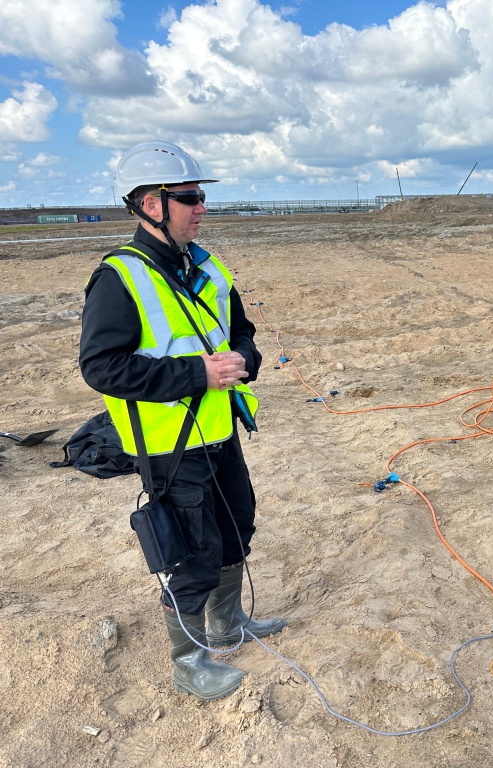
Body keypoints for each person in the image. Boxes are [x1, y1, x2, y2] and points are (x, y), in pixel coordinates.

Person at [79, 141, 286, 700]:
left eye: (200, 197)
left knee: (236, 528)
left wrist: (245, 360)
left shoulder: (207, 265)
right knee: (190, 553)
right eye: (190, 197)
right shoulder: (119, 277)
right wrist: (196, 374)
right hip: (171, 446)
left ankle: (228, 624)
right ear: (151, 204)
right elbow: (101, 366)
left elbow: (240, 332)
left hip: (219, 431)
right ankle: (189, 663)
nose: (201, 208)